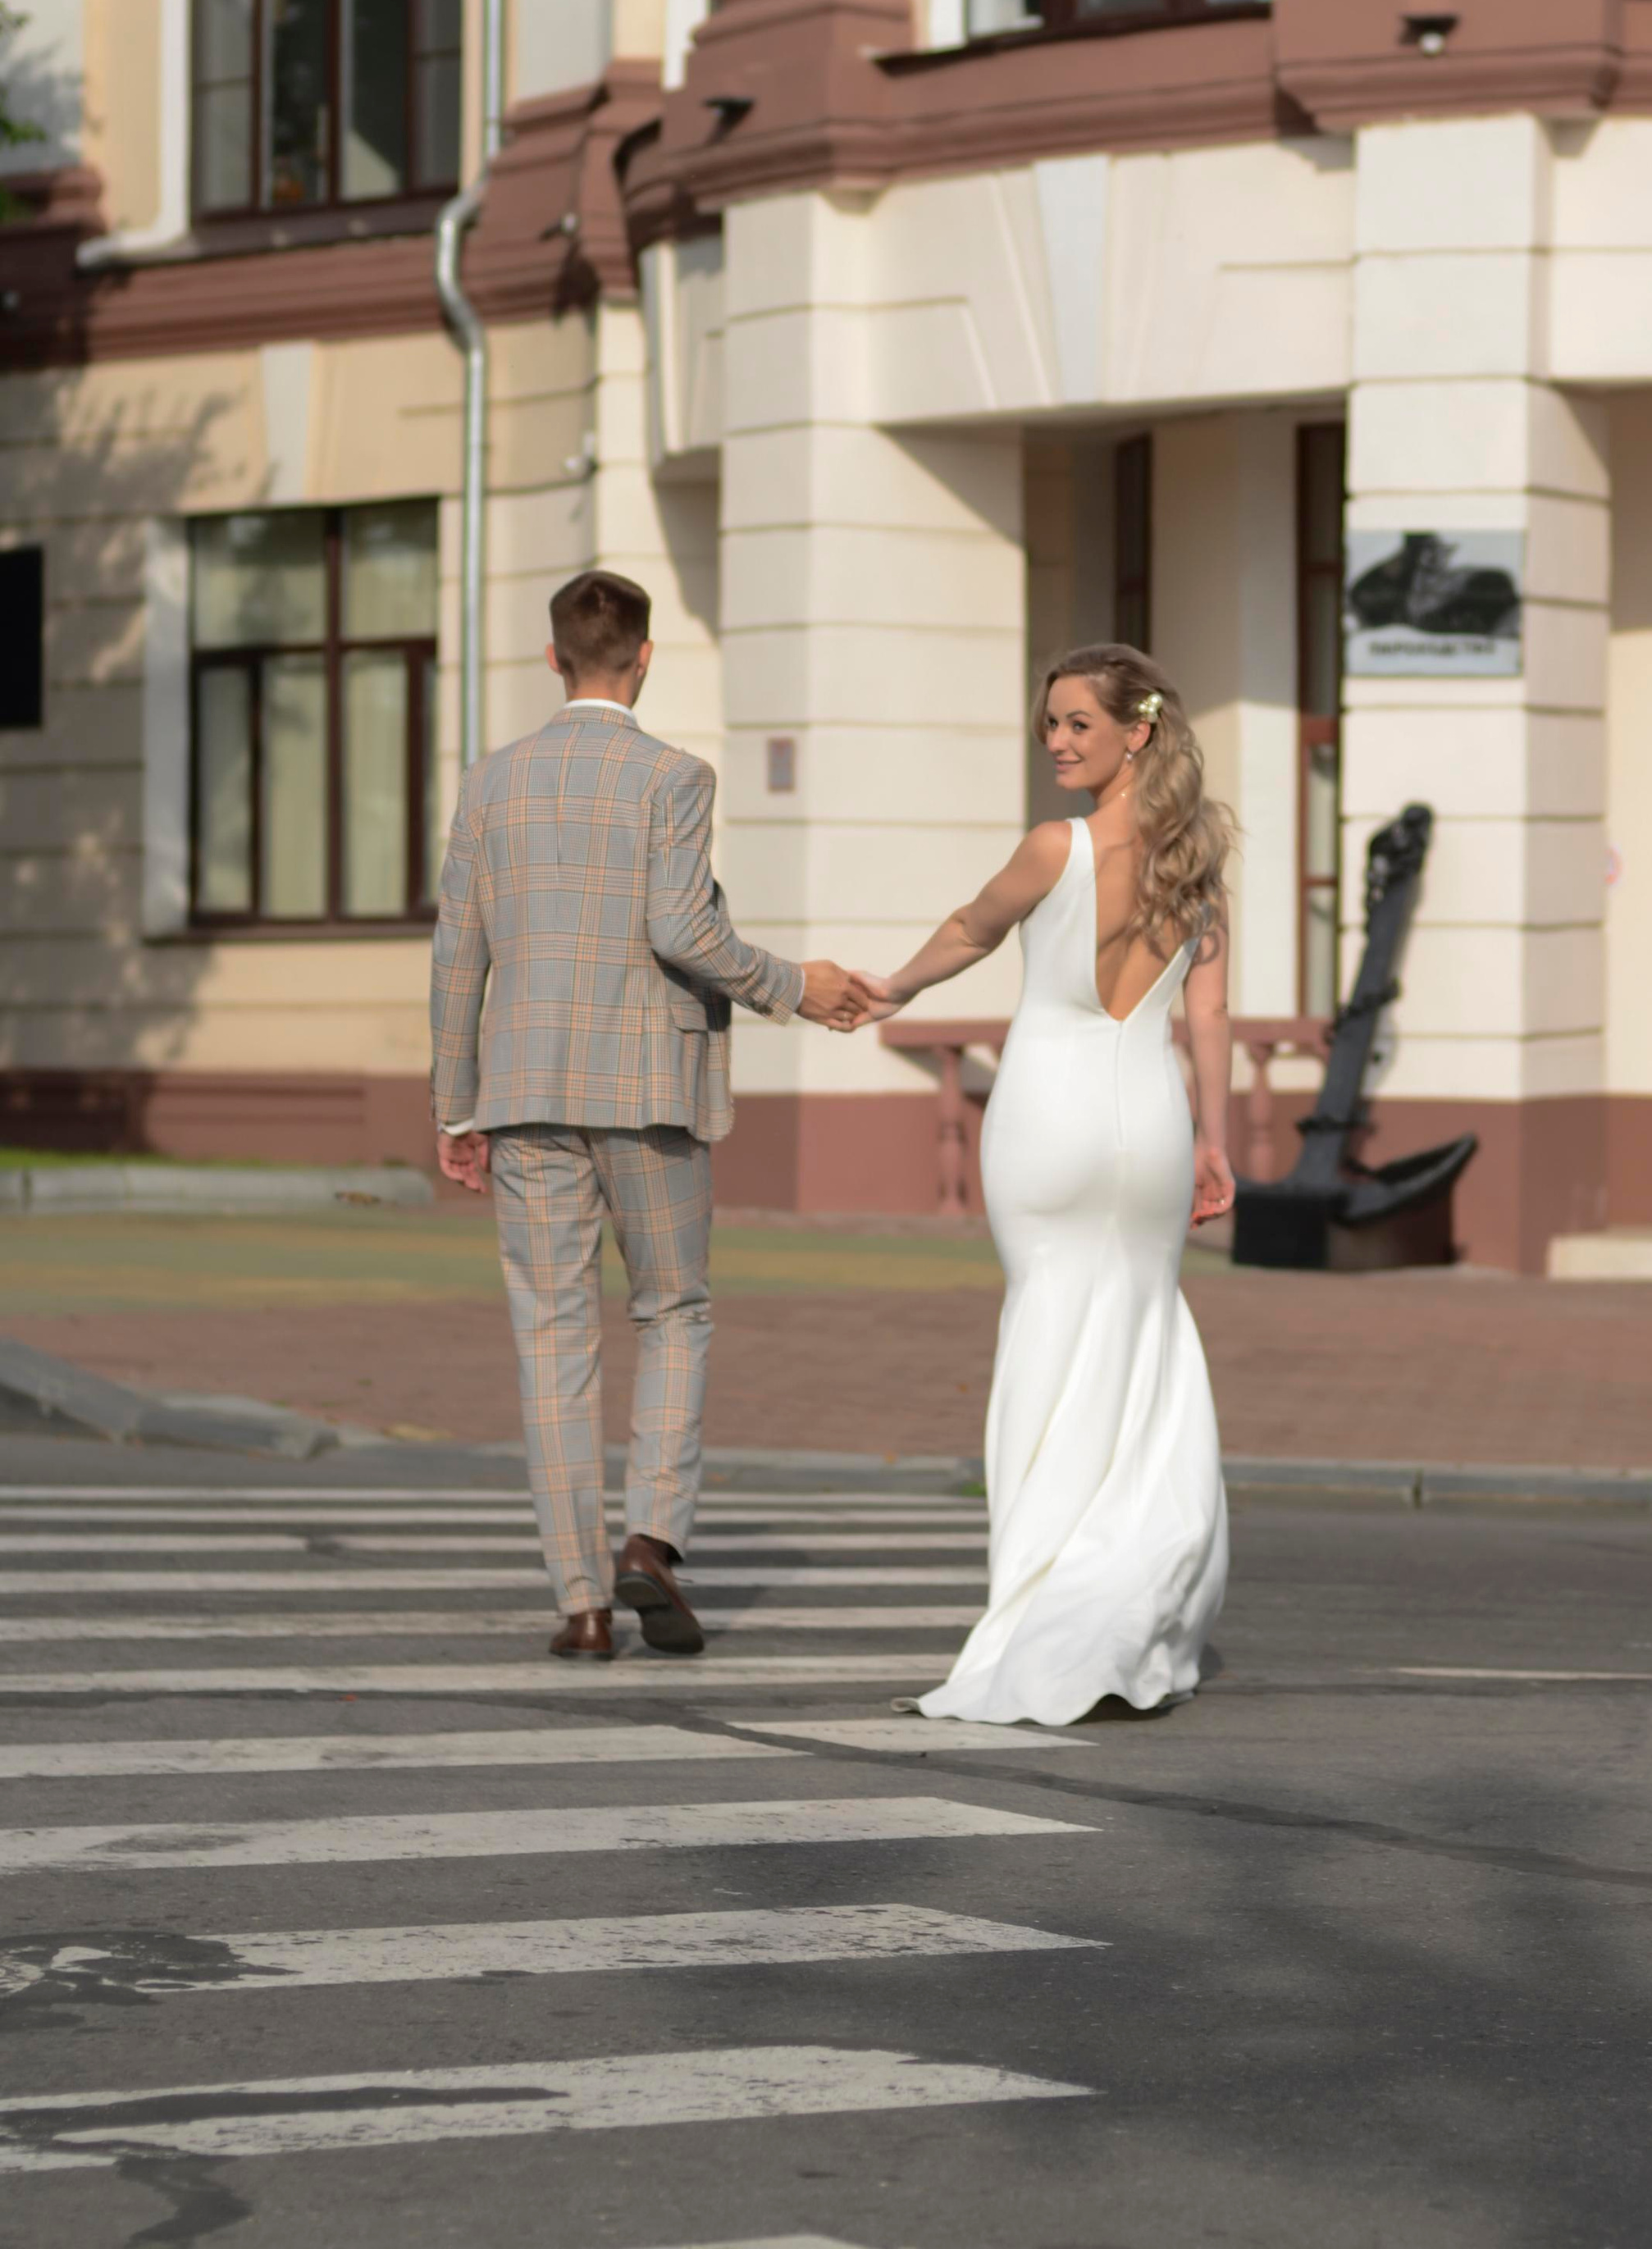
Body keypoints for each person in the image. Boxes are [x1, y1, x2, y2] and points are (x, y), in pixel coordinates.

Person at [429, 568, 869, 1660]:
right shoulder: (674, 775)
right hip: (648, 1090)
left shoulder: (492, 782)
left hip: (524, 1095)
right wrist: (788, 981)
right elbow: (679, 927)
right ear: (645, 654)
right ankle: (651, 1543)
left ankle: (581, 1603)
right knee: (672, 1310)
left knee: (551, 1334)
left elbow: (456, 957)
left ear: (552, 658)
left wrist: (455, 1106)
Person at [852, 644, 1234, 1727]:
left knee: (1047, 1339)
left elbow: (974, 930)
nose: (1059, 742)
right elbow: (1207, 1017)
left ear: (1136, 732)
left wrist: (886, 991)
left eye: (1077, 723)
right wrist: (1217, 1140)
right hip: (1152, 1116)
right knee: (1143, 1347)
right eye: (1051, 725)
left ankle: (1038, 1614)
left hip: (1048, 1113)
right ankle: (1133, 1597)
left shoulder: (1054, 846)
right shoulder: (1199, 859)